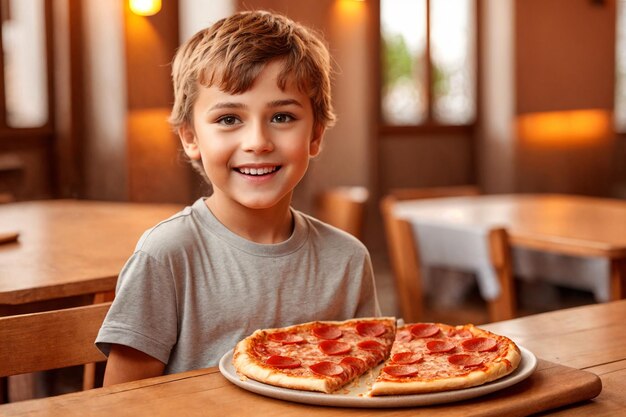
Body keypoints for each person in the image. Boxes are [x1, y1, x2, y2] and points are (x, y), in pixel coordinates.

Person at [95, 10, 381, 386]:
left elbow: (366, 384)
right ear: (190, 137)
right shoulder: (166, 256)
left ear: (315, 135)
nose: (258, 142)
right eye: (229, 119)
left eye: (282, 117)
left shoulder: (348, 260)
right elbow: (121, 404)